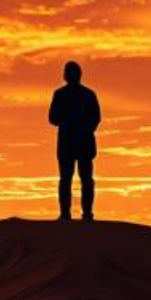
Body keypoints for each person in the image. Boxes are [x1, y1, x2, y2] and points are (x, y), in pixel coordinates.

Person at [47, 60, 101, 221]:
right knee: (66, 179)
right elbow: (52, 118)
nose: (69, 75)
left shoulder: (88, 95)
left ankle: (87, 214)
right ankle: (66, 214)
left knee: (85, 179)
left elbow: (96, 118)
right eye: (68, 72)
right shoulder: (60, 94)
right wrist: (68, 122)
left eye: (71, 72)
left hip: (82, 144)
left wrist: (83, 129)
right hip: (67, 145)